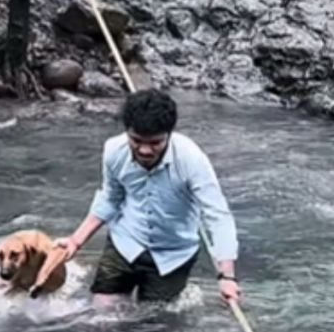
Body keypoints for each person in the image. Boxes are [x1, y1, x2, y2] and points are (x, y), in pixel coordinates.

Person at [54, 89, 241, 305]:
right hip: (124, 243)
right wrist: (75, 241)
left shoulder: (192, 160)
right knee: (101, 318)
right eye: (136, 140)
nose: (144, 150)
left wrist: (227, 277)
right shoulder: (114, 151)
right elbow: (110, 198)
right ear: (127, 132)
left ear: (169, 135)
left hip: (173, 255)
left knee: (151, 326)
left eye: (155, 143)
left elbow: (217, 215)